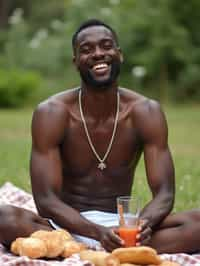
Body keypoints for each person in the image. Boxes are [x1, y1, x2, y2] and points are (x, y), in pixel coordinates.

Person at [0, 19, 200, 254]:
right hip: (63, 226)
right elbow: (46, 200)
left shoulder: (145, 112)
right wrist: (97, 233)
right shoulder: (52, 113)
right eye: (86, 50)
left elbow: (165, 193)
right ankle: (99, 249)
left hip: (124, 227)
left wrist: (139, 226)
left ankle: (79, 251)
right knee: (4, 217)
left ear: (119, 54)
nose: (98, 54)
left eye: (106, 46)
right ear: (76, 62)